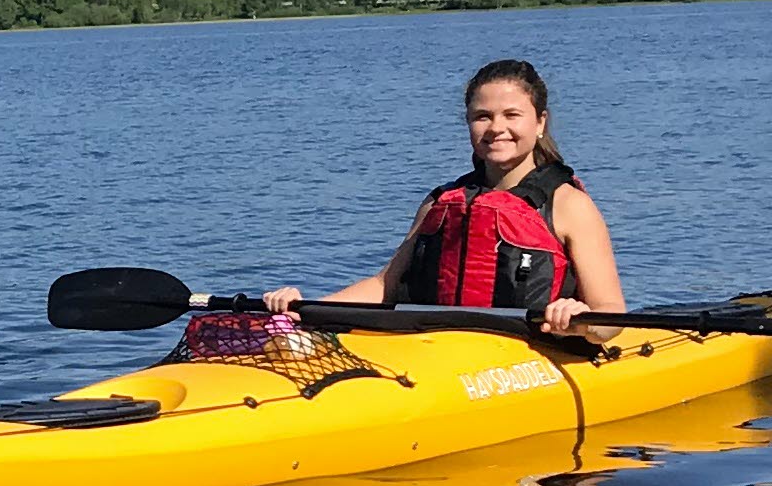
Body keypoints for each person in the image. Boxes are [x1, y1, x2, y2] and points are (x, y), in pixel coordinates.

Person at [262, 56, 628, 342]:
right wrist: (305, 309)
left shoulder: (568, 205)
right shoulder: (442, 202)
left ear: (540, 122)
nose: (496, 128)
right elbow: (384, 285)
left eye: (511, 115)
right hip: (440, 351)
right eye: (482, 117)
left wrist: (577, 320)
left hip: (534, 353)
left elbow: (610, 315)